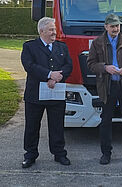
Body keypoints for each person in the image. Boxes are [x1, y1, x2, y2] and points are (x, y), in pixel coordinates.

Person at [87, 13, 122, 165]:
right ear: (105, 27)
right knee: (105, 121)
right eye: (112, 26)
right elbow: (90, 63)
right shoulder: (97, 43)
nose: (115, 29)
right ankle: (106, 154)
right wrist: (105, 68)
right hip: (107, 86)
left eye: (117, 25)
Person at [21, 17, 73, 168]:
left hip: (56, 93)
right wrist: (49, 74)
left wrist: (57, 78)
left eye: (54, 29)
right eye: (51, 30)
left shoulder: (62, 47)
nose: (54, 33)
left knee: (57, 126)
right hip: (34, 95)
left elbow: (69, 65)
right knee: (32, 126)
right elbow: (29, 66)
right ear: (41, 31)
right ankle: (30, 155)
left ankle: (59, 154)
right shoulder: (29, 47)